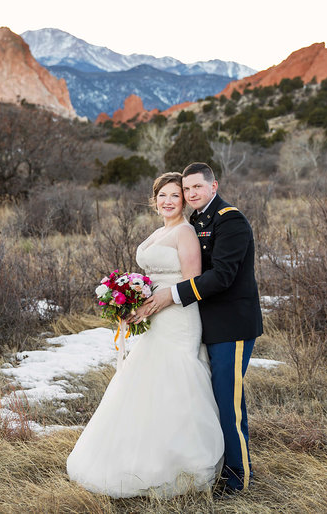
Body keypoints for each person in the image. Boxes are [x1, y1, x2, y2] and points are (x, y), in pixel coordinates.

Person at [66, 172, 224, 498]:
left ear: (184, 200)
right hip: (154, 313)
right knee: (145, 382)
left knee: (173, 380)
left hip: (179, 317)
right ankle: (135, 456)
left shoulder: (186, 233)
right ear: (154, 200)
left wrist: (155, 302)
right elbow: (152, 276)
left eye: (174, 196)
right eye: (162, 195)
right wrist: (130, 298)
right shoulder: (159, 231)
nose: (168, 201)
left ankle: (180, 463)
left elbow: (192, 282)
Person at [140, 162, 263, 496]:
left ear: (213, 185)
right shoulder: (195, 220)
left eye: (197, 187)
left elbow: (222, 276)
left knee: (228, 402)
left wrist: (172, 294)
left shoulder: (230, 219)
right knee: (206, 400)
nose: (192, 193)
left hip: (231, 325)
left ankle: (238, 478)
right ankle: (215, 466)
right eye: (187, 188)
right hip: (201, 323)